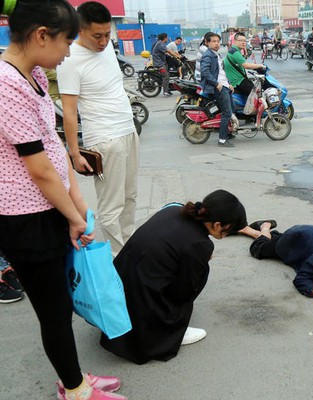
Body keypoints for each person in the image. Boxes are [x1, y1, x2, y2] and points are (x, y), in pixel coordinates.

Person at [0, 0, 127, 398]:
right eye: (66, 40)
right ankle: (75, 389)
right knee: (53, 309)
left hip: (50, 205)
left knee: (60, 300)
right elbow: (37, 168)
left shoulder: (33, 73)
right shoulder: (6, 84)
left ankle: (73, 377)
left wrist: (76, 199)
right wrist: (73, 215)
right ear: (41, 35)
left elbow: (53, 146)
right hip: (27, 218)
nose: (69, 51)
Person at [100, 190, 247, 365]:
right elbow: (183, 292)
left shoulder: (174, 209)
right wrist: (201, 263)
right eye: (227, 231)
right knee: (199, 273)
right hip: (141, 307)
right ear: (217, 225)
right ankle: (171, 329)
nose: (226, 236)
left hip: (116, 289)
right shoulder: (200, 244)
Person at [57, 1, 139, 257]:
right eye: (97, 36)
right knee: (111, 207)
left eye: (107, 34)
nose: (104, 41)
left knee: (130, 198)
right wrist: (74, 152)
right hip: (104, 139)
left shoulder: (106, 49)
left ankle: (130, 251)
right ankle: (119, 261)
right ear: (81, 30)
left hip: (128, 131)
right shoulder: (69, 60)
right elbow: (69, 112)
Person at [200, 33, 236, 148]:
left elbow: (222, 72)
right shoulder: (208, 55)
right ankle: (222, 139)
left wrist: (229, 84)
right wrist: (216, 84)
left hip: (224, 86)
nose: (216, 43)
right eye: (214, 41)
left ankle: (227, 132)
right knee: (227, 112)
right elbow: (205, 71)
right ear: (207, 42)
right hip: (218, 87)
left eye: (218, 41)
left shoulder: (216, 54)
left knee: (232, 109)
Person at [223, 32, 265, 98]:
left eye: (244, 41)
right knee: (255, 95)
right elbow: (246, 65)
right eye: (240, 41)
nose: (243, 42)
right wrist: (260, 65)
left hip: (237, 78)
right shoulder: (234, 52)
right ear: (235, 41)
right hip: (237, 81)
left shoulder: (234, 50)